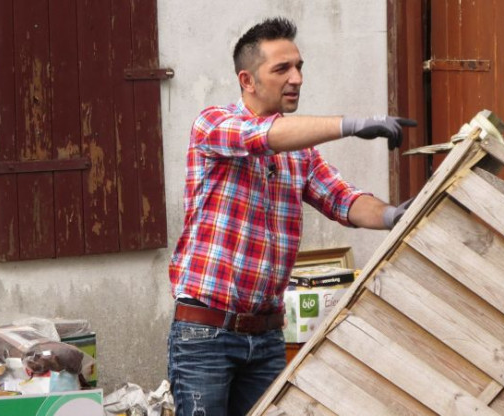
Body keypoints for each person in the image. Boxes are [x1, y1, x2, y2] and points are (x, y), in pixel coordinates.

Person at [168, 17, 416, 416]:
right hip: (206, 333)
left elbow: (343, 199)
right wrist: (352, 125)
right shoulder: (212, 124)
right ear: (247, 80)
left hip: (266, 336)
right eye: (282, 69)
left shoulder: (301, 152)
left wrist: (394, 216)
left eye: (299, 67)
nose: (296, 78)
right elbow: (262, 137)